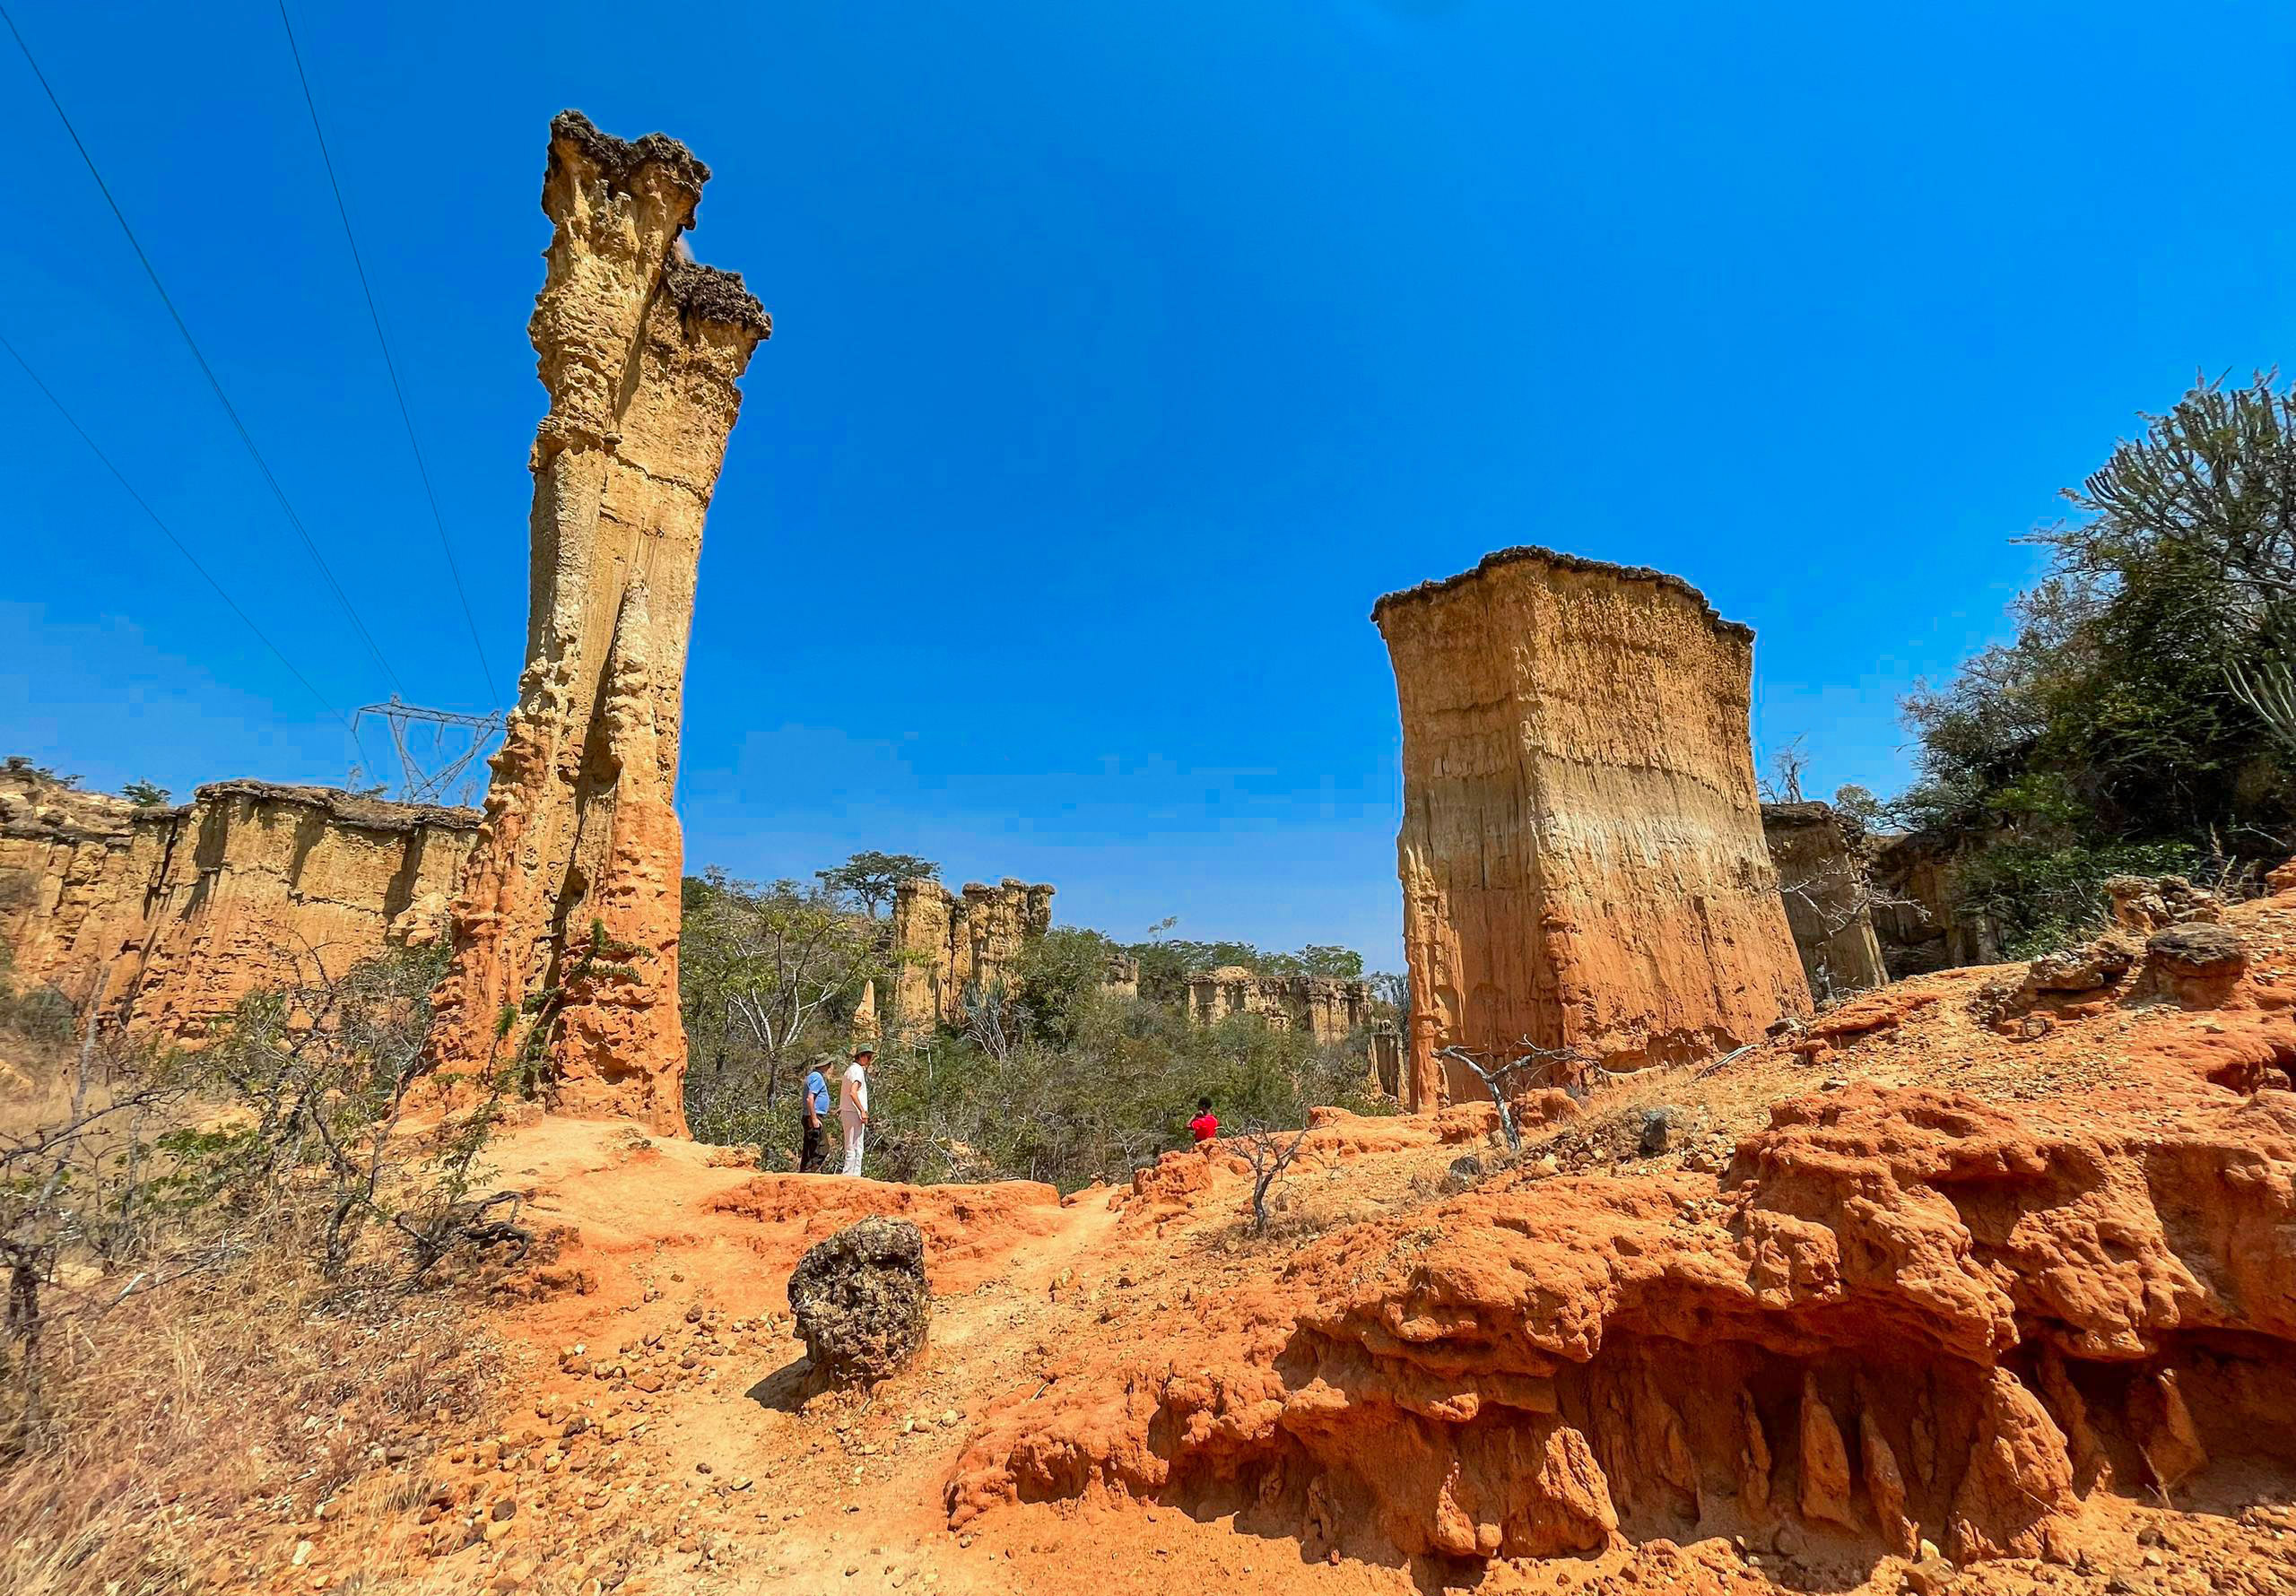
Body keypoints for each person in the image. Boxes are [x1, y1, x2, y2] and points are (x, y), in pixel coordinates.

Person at [839, 1044, 874, 1176]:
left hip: (847, 1110)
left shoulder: (849, 1070)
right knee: (857, 1145)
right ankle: (852, 1175)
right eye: (868, 1057)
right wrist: (862, 1111)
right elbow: (853, 1092)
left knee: (850, 1143)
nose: (869, 1060)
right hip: (854, 1112)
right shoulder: (857, 1070)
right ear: (861, 1056)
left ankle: (849, 1174)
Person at [800, 1058, 831, 1173]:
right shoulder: (817, 1077)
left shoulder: (813, 1076)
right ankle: (809, 1172)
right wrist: (814, 1118)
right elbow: (810, 1098)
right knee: (822, 1148)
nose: (830, 1066)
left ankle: (805, 1172)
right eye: (829, 1063)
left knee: (810, 1147)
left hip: (812, 1114)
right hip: (814, 1115)